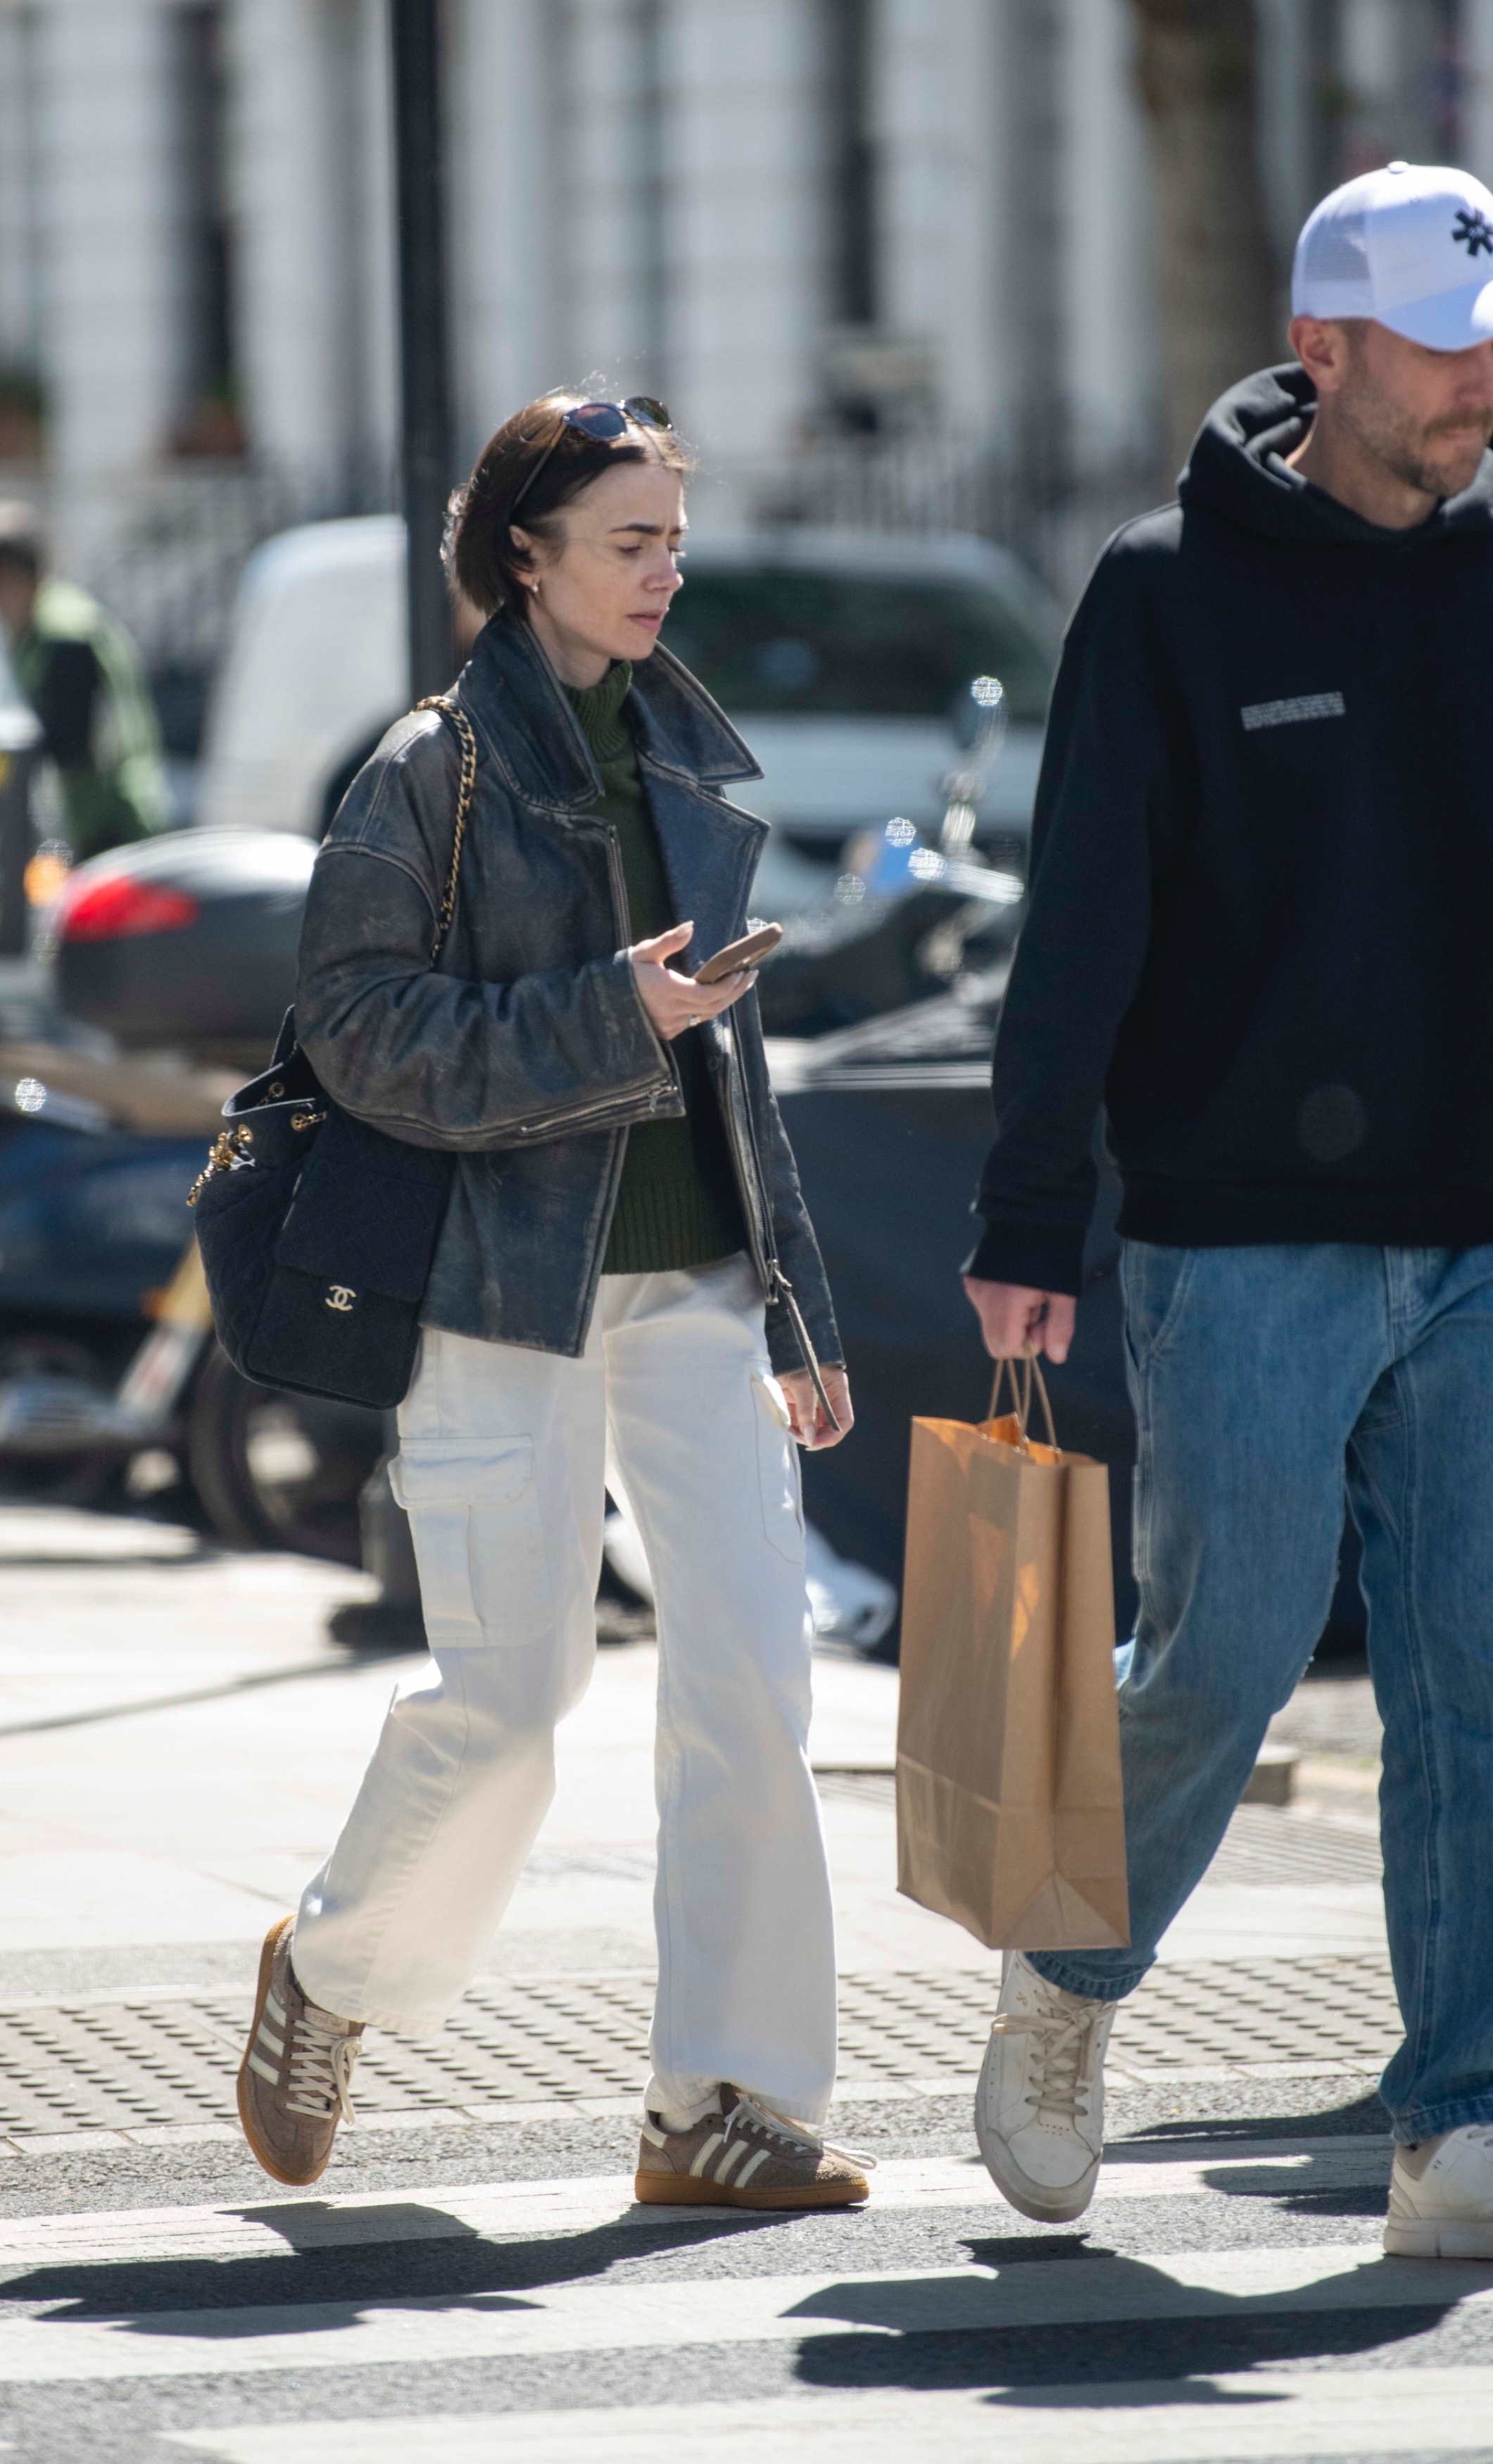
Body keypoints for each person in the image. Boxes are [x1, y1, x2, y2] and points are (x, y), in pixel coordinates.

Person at [234, 392, 870, 2211]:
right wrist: (613, 1014)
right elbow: (357, 1033)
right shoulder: (420, 771)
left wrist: (800, 1310)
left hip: (695, 1292)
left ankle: (723, 2103)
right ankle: (330, 1968)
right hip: (499, 1291)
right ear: (525, 554)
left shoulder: (681, 755)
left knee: (752, 1675)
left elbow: (733, 1077)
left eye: (674, 536)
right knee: (514, 1698)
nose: (665, 571)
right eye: (628, 540)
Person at [961, 162, 1493, 2257]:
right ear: (1325, 350)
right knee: (1221, 1656)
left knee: (1468, 1676)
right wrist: (1019, 1216)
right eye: (1441, 352)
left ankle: (1452, 2108)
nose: (1473, 389)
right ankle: (1063, 1981)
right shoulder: (1163, 589)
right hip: (1233, 1230)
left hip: (1477, 1223)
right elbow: (1074, 921)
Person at [0, 499, 170, 858]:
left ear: (17, 579)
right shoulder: (45, 623)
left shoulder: (64, 636)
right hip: (94, 824)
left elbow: (68, 747)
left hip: (108, 830)